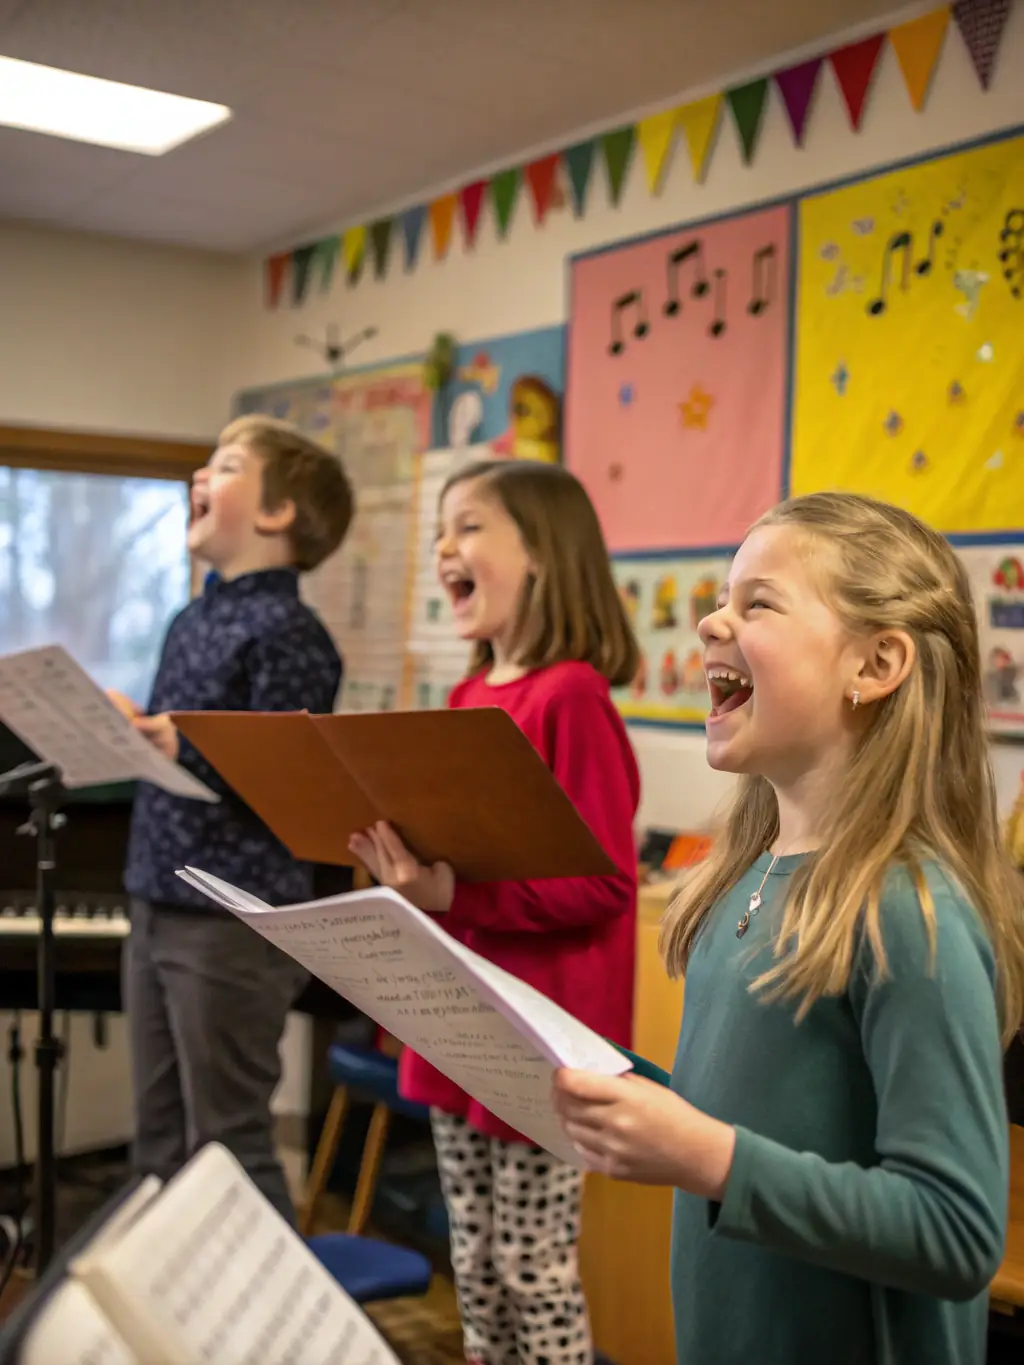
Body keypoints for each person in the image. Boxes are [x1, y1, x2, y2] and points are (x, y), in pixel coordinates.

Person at [554, 491, 1024, 1365]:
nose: (708, 622)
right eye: (722, 597)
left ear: (877, 662)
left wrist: (710, 1156)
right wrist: (633, 1100)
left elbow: (957, 1233)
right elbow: (765, 1115)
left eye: (756, 602)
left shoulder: (910, 912)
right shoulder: (741, 879)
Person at [350, 458, 641, 1365]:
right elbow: (458, 871)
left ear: (543, 554)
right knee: (470, 1260)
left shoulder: (571, 695)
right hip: (466, 1028)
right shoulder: (469, 695)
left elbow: (600, 884)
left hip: (543, 1044)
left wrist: (451, 894)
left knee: (531, 1266)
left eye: (469, 525)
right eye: (443, 529)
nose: (445, 546)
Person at [122, 414, 353, 1223]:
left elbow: (287, 782)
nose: (198, 477)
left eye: (223, 466)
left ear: (276, 511)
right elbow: (179, 748)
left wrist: (181, 742)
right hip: (155, 893)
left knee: (227, 1141)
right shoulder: (192, 619)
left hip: (230, 910)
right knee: (156, 1144)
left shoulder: (290, 630)